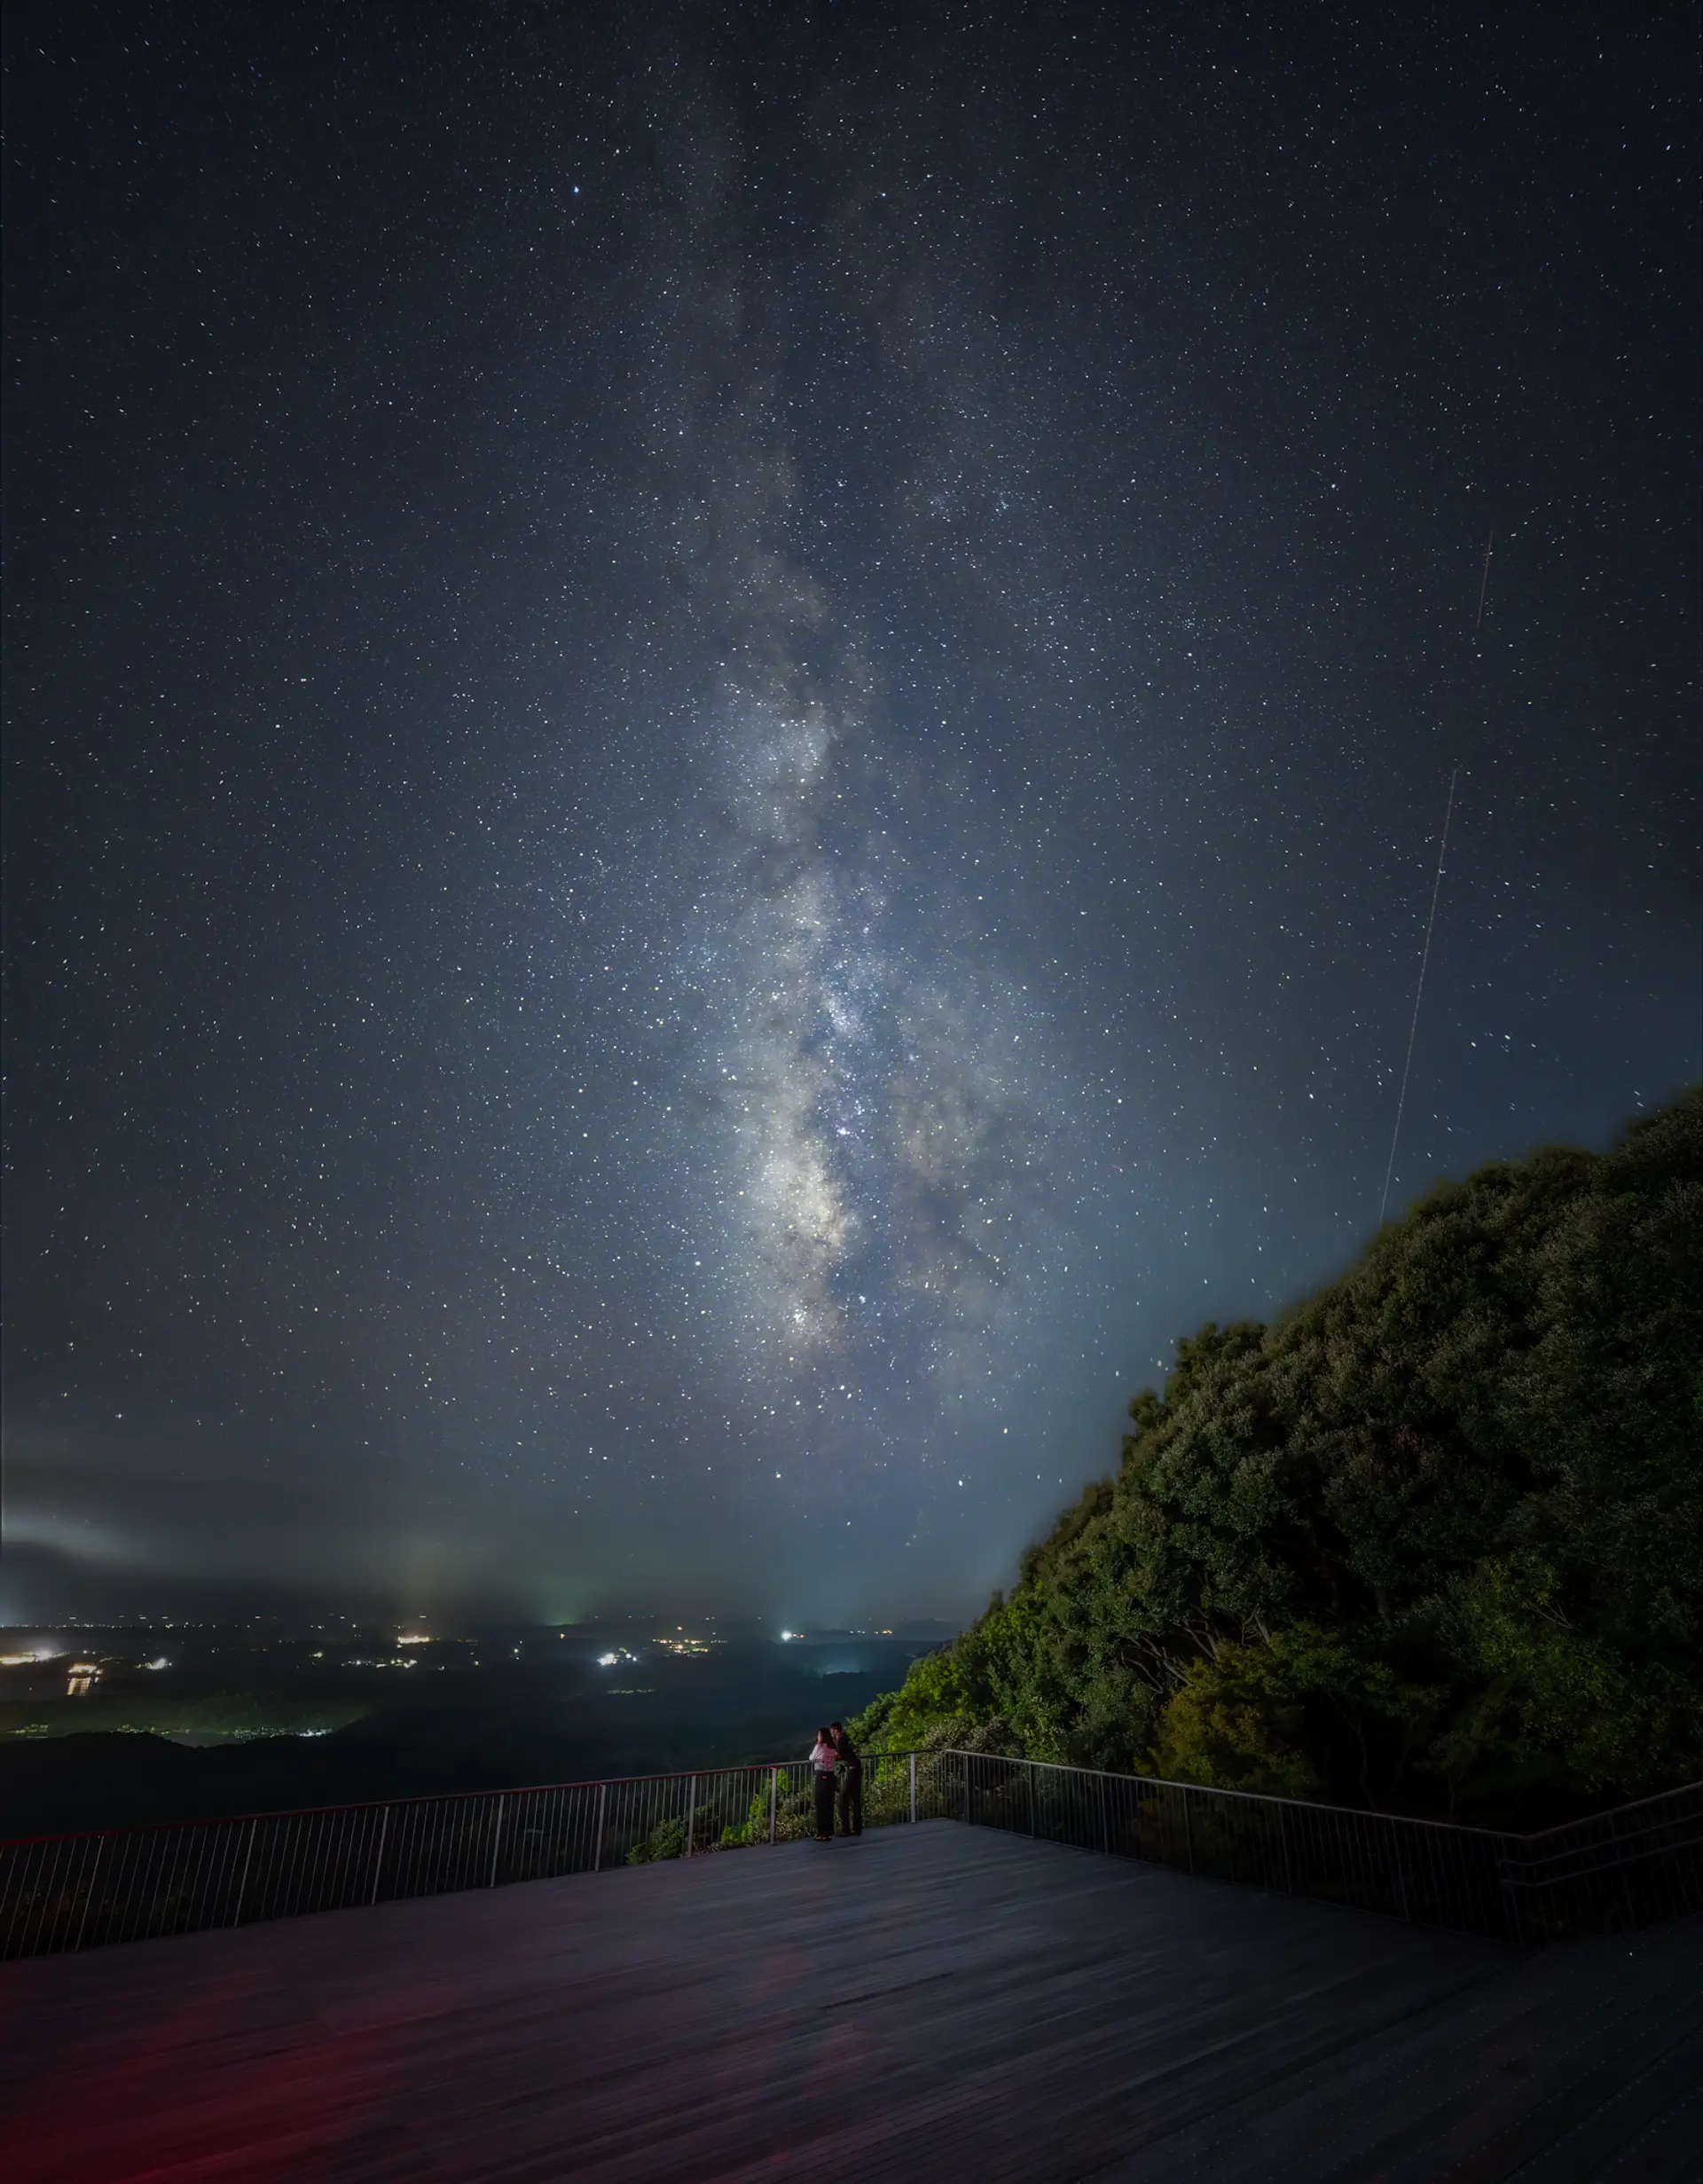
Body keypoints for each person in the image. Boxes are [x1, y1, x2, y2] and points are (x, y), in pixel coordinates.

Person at [830, 1720, 862, 1837]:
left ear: (835, 1731)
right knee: (855, 1798)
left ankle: (845, 1828)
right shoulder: (846, 1738)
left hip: (852, 1770)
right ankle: (857, 1827)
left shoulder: (841, 1740)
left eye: (832, 1732)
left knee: (843, 1799)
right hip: (857, 1768)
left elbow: (838, 1755)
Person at [809, 1726, 838, 1842]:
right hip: (831, 1776)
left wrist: (817, 1745)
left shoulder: (820, 1747)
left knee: (820, 1804)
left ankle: (821, 1833)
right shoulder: (832, 1747)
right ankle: (828, 1831)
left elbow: (812, 1758)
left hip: (821, 1776)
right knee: (828, 1804)